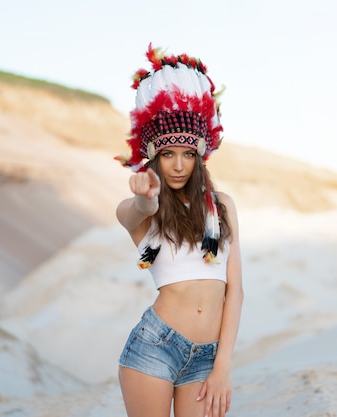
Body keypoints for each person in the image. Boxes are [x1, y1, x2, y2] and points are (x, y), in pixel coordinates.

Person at [114, 44, 243, 417]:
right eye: (168, 154)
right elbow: (141, 208)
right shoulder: (141, 211)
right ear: (154, 158)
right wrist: (144, 194)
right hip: (156, 347)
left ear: (200, 156)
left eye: (188, 154)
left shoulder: (223, 207)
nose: (178, 165)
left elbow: (235, 291)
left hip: (207, 358)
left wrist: (223, 368)